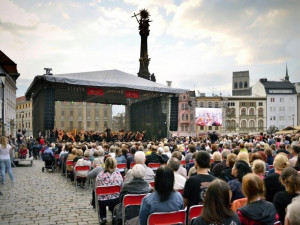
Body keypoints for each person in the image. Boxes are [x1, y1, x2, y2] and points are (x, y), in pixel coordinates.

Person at [96, 157, 123, 225]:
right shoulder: (118, 175)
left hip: (103, 200)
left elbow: (97, 186)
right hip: (115, 199)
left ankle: (103, 217)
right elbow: (121, 186)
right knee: (115, 197)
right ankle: (114, 215)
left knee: (101, 200)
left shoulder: (100, 175)